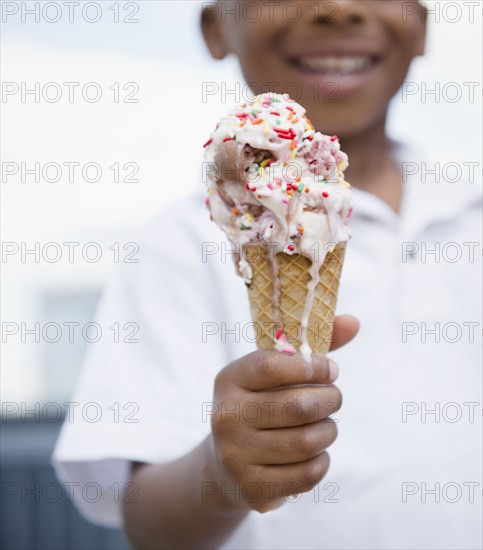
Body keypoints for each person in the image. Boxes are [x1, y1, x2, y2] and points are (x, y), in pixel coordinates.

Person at [54, 2, 482, 549]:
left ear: (421, 24)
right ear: (214, 28)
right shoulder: (180, 244)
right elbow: (148, 524)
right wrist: (221, 477)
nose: (337, 8)